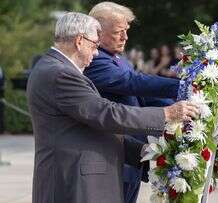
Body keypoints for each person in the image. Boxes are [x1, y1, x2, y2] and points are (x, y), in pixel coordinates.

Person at [26, 12, 199, 203]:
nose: (96, 52)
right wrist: (167, 114)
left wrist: (146, 150)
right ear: (79, 41)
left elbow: (89, 124)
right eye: (94, 45)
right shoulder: (60, 73)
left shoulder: (56, 68)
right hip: (73, 182)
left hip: (80, 178)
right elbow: (106, 114)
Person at [84, 3, 181, 203]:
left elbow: (143, 97)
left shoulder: (118, 59)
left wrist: (184, 104)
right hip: (113, 157)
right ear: (97, 32)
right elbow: (133, 83)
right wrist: (181, 86)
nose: (125, 37)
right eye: (118, 32)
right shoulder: (95, 61)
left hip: (131, 157)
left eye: (126, 31)